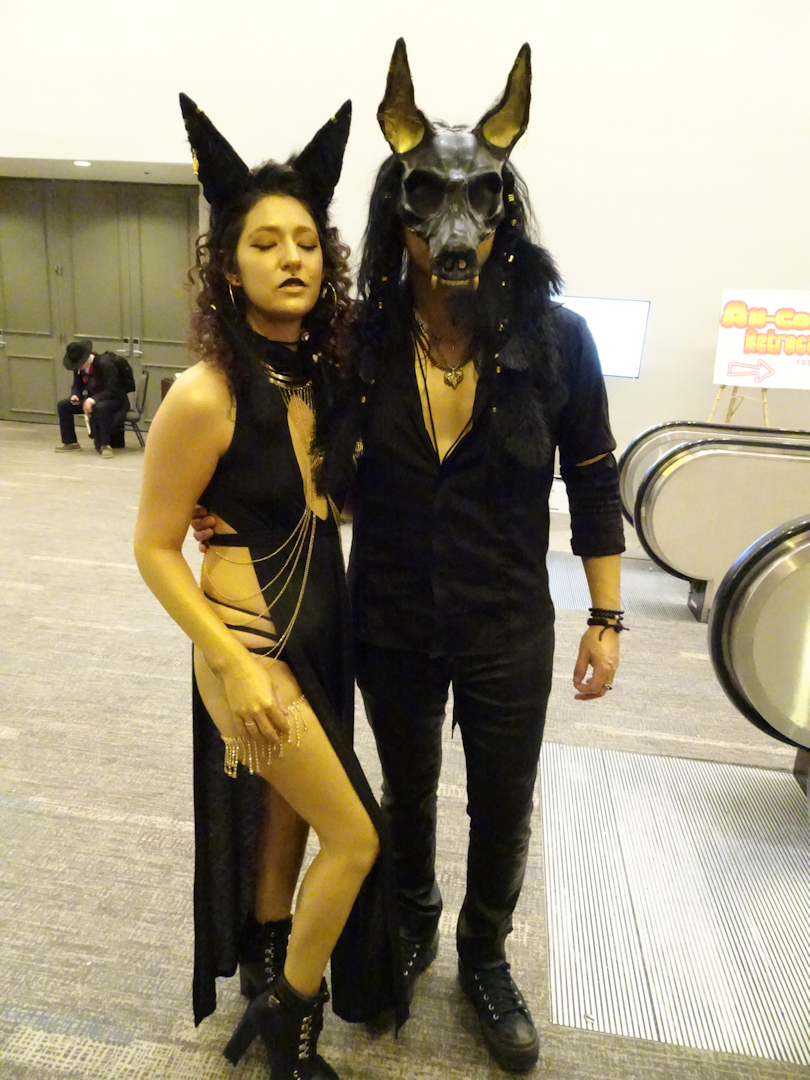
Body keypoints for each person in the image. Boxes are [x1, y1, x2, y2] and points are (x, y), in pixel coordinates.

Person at [194, 41, 626, 1075]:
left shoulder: (559, 341)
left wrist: (608, 616)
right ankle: (418, 917)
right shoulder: (359, 341)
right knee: (408, 786)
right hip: (389, 613)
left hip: (507, 619)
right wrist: (222, 515)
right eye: (431, 197)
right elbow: (275, 423)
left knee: (504, 800)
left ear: (505, 210)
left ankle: (486, 954)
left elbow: (593, 477)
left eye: (479, 197)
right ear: (400, 212)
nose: (455, 224)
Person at [135, 94, 404, 1080]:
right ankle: (292, 1024)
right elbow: (153, 547)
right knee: (356, 837)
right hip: (247, 648)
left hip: (320, 640)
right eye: (264, 243)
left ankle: (265, 976)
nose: (292, 258)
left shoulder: (324, 380)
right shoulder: (205, 394)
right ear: (227, 265)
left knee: (286, 823)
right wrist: (229, 663)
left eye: (306, 242)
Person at [55, 339, 128, 457]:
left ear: (85, 359)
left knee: (100, 407)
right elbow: (77, 385)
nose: (78, 369)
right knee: (63, 406)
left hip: (115, 400)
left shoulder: (106, 365)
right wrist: (75, 395)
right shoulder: (79, 368)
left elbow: (112, 390)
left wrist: (92, 400)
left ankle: (105, 445)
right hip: (93, 399)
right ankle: (71, 442)